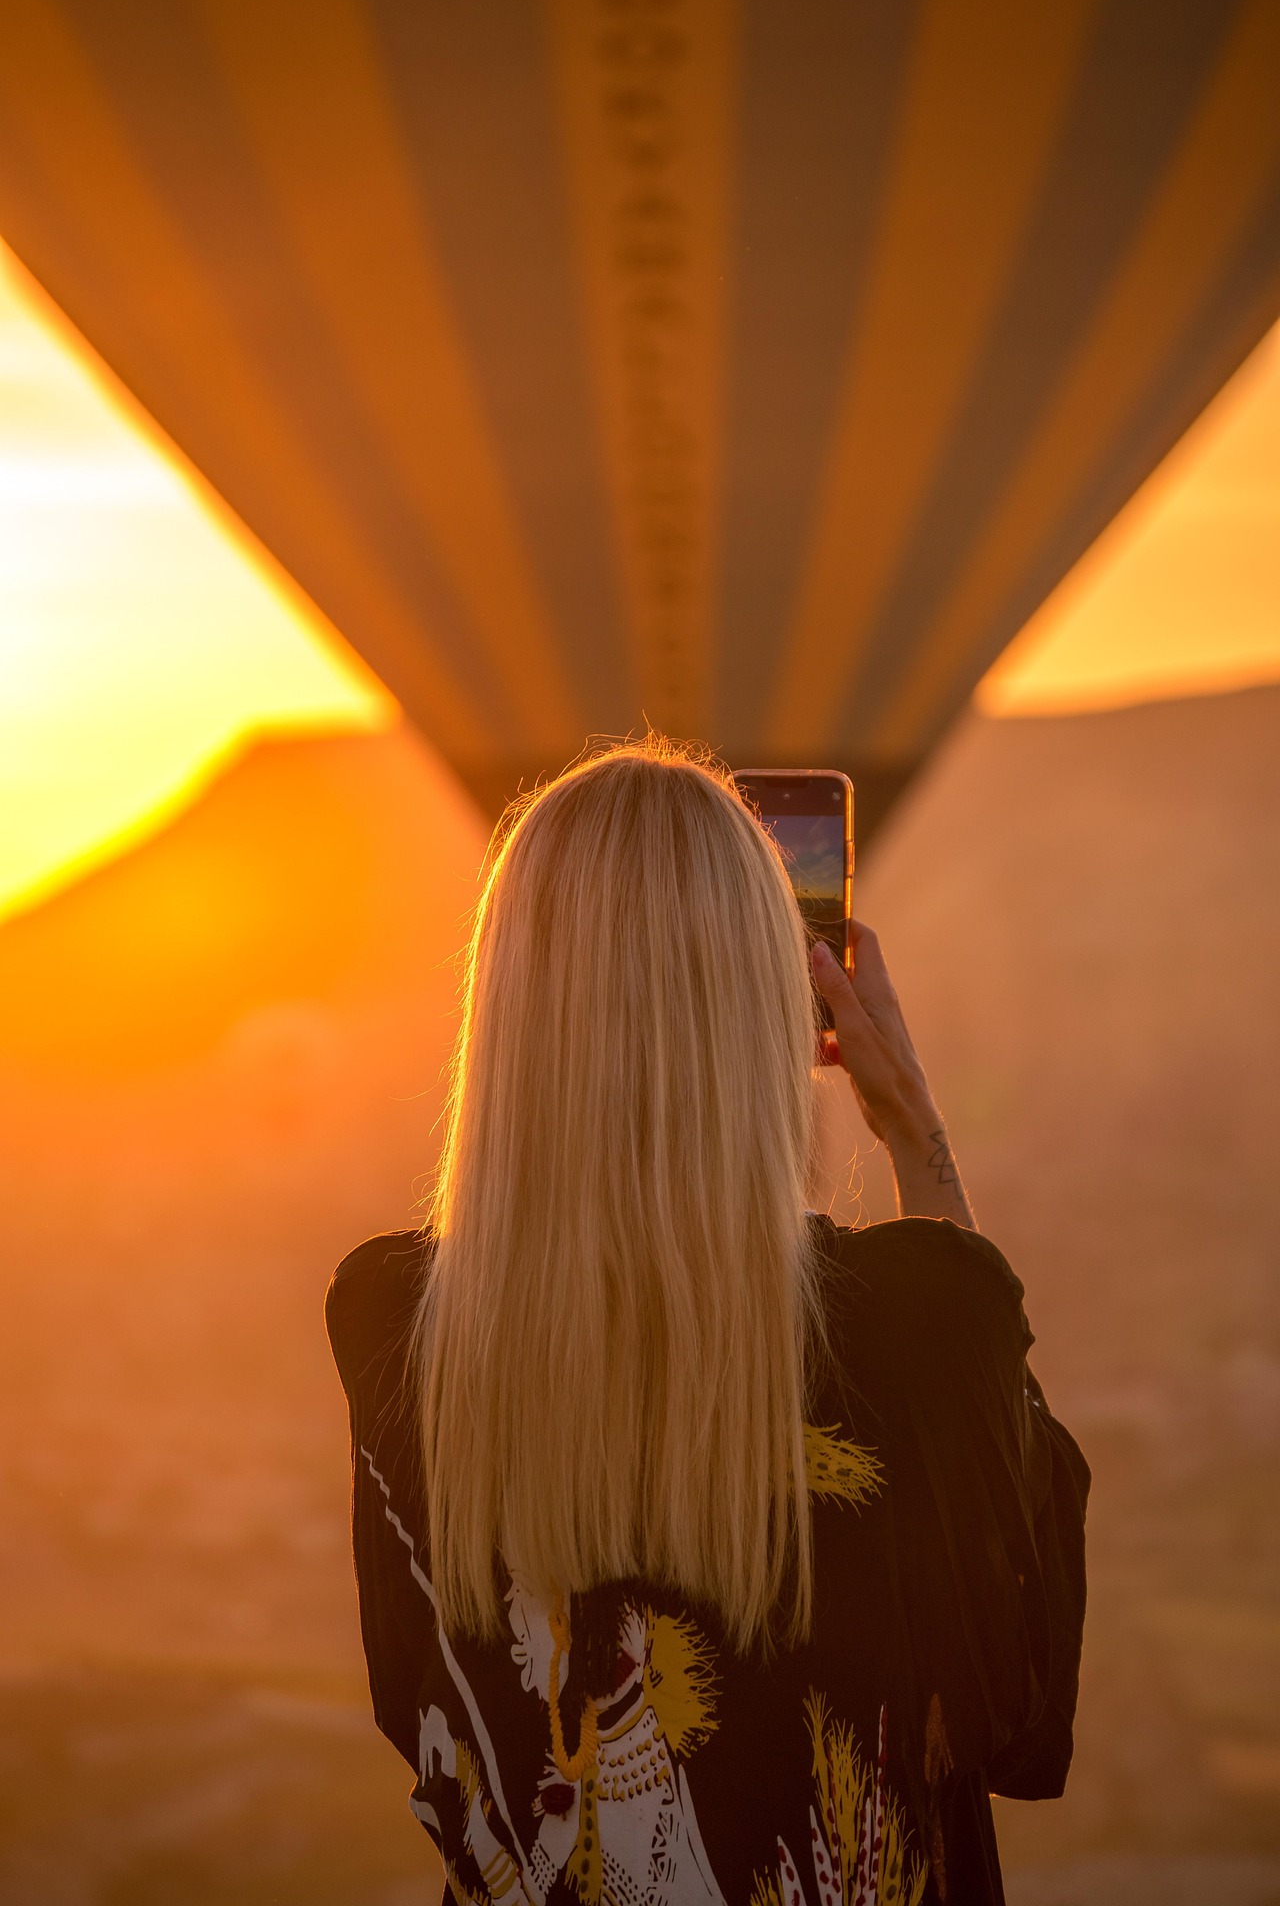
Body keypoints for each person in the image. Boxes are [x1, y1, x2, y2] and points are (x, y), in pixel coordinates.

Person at [326, 740, 1088, 1906]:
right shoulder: (922, 1324)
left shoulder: (398, 1324)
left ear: (510, 1004)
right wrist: (913, 1132)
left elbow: (423, 1723)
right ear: (762, 1004)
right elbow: (1015, 1707)